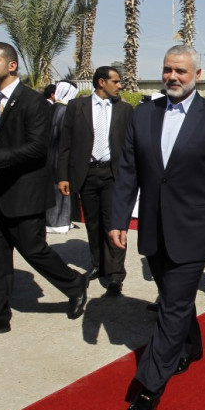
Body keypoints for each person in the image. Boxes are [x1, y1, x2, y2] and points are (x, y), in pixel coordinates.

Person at [109, 45, 205, 410]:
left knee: (173, 305)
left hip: (195, 229)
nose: (173, 77)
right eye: (167, 70)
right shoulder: (144, 114)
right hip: (153, 227)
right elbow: (128, 171)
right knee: (172, 296)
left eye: (181, 71)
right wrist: (119, 219)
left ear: (196, 75)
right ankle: (192, 345)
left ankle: (150, 386)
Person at [0, 42, 89, 338]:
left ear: (11, 65)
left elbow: (37, 148)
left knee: (34, 251)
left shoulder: (32, 101)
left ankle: (74, 283)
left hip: (24, 194)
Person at [58, 67, 133, 295]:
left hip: (113, 175)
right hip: (86, 174)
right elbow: (65, 144)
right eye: (116, 81)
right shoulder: (76, 107)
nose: (120, 85)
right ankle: (99, 265)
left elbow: (131, 146)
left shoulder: (125, 109)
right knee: (93, 224)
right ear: (102, 82)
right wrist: (63, 176)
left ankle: (116, 275)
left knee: (114, 224)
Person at [46, 81, 77, 234]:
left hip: (49, 155)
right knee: (62, 191)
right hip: (61, 156)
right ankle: (60, 222)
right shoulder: (65, 111)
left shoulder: (51, 108)